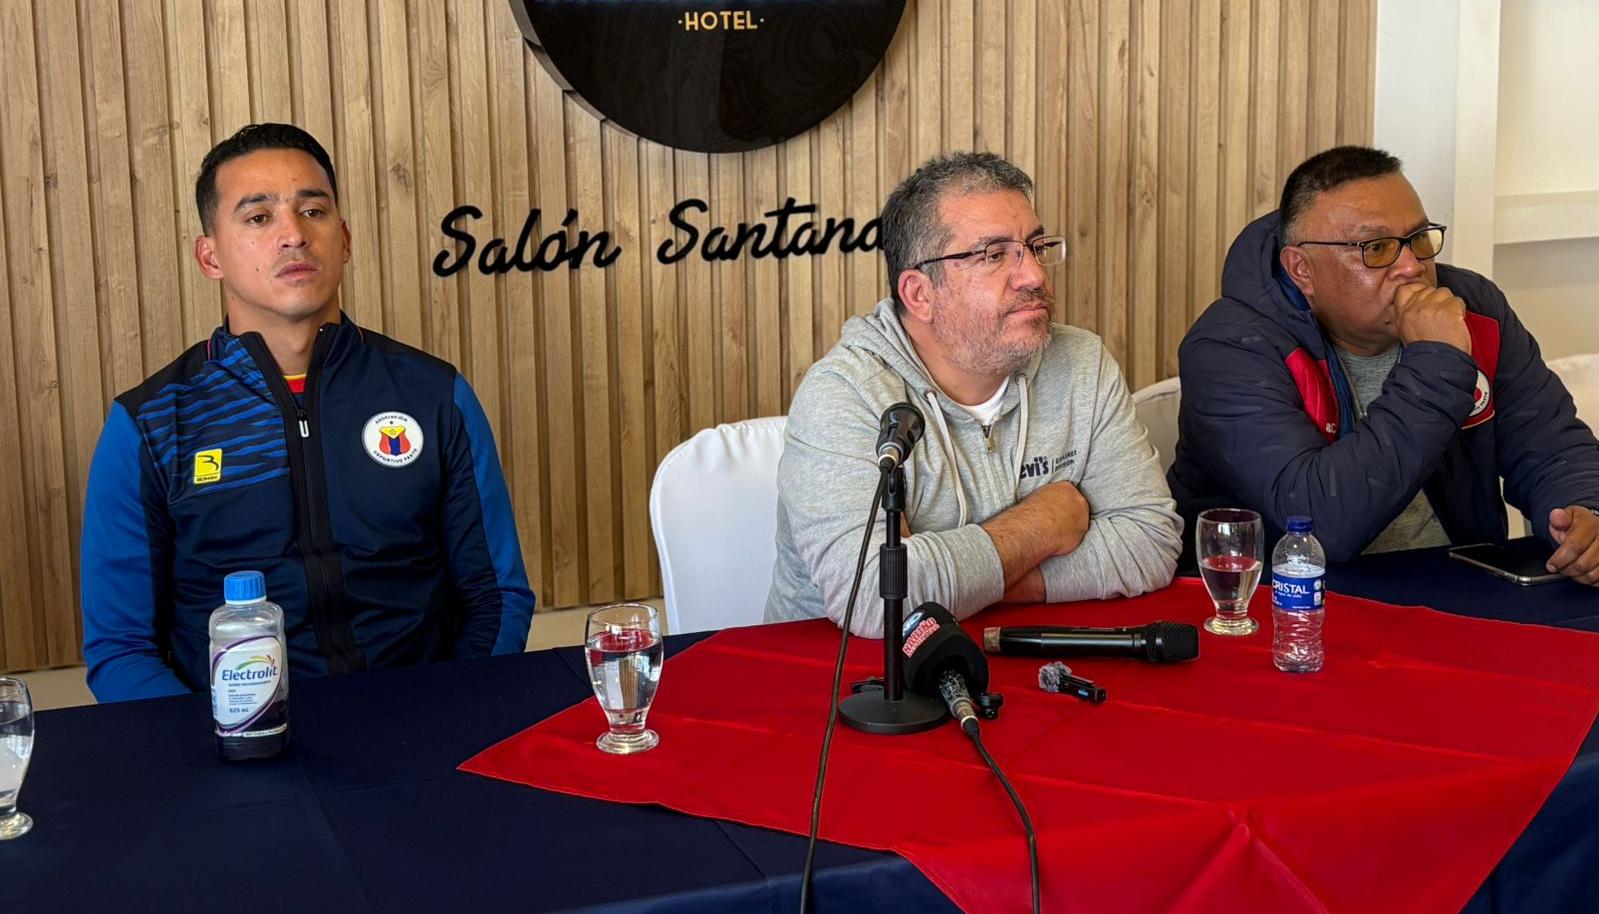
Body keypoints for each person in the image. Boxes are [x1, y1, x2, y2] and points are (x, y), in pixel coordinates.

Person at [81, 123, 536, 701]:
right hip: (234, 748)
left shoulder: (433, 395)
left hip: (422, 726)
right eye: (258, 217)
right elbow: (121, 648)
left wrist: (454, 713)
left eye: (313, 211)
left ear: (343, 239)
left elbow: (496, 596)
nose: (293, 235)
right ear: (210, 255)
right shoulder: (149, 425)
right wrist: (222, 745)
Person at [765, 152, 1181, 637]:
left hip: (1023, 662)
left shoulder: (1080, 362)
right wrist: (1043, 526)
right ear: (920, 294)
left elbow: (1151, 540)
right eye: (993, 254)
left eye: (1034, 246)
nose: (1035, 276)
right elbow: (876, 600)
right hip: (845, 684)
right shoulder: (844, 394)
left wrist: (956, 581)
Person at [1169, 145, 1599, 580]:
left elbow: (1552, 448)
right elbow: (1321, 525)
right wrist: (1438, 361)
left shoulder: (1475, 310)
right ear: (1302, 268)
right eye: (1376, 248)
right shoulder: (1229, 347)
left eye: (1418, 239)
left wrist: (1585, 512)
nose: (1412, 267)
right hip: (1286, 607)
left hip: (1459, 587)